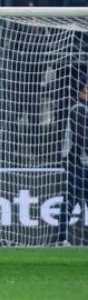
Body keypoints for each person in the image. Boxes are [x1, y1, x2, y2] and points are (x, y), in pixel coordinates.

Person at [59, 74, 87, 245]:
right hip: (76, 162)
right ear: (81, 91)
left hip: (83, 162)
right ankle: (62, 238)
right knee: (71, 199)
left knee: (72, 199)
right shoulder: (78, 109)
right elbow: (81, 137)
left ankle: (62, 238)